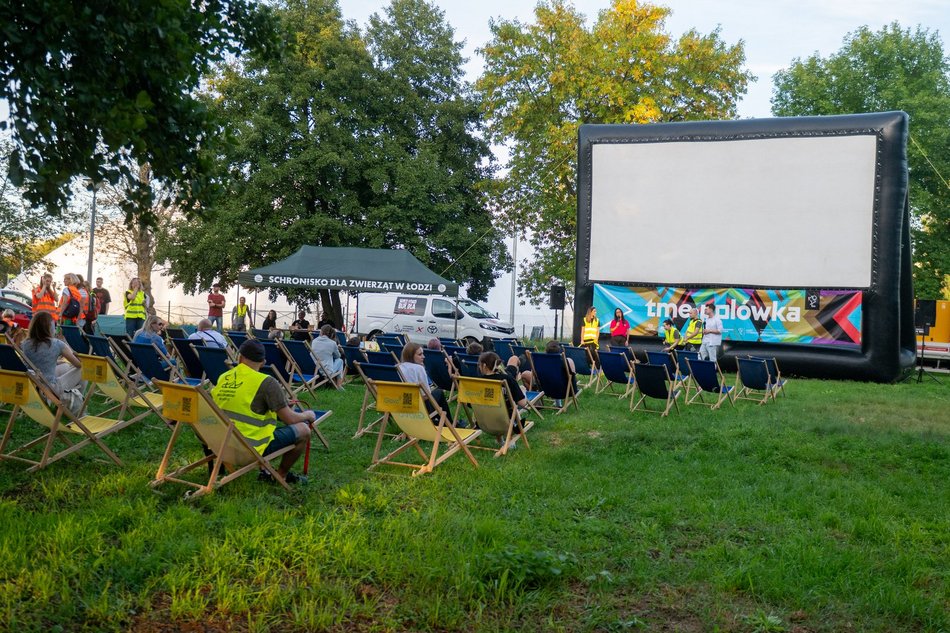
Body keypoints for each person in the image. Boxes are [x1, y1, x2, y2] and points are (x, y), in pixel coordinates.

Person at [212, 339, 316, 485]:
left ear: (239, 357)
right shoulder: (267, 382)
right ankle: (280, 475)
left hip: (220, 444)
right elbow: (290, 419)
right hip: (249, 449)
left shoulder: (224, 377)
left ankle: (264, 469)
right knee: (303, 430)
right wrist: (308, 415)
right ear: (263, 362)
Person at [19, 311, 84, 398]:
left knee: (65, 366)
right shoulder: (57, 344)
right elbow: (79, 364)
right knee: (83, 370)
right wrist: (64, 342)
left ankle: (74, 399)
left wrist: (57, 362)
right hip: (50, 388)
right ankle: (78, 401)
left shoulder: (25, 343)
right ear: (50, 327)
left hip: (32, 384)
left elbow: (39, 361)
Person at [397, 342, 450, 415]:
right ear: (410, 355)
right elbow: (427, 394)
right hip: (420, 407)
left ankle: (440, 421)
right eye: (420, 354)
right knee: (439, 393)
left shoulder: (399, 367)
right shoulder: (418, 368)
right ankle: (449, 423)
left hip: (402, 404)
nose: (423, 356)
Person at [477, 351, 531, 419]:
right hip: (506, 420)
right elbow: (522, 404)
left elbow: (471, 404)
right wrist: (523, 391)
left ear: (484, 365)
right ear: (497, 364)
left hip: (484, 420)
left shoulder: (477, 381)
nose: (479, 366)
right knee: (522, 388)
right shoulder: (507, 379)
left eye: (479, 364)